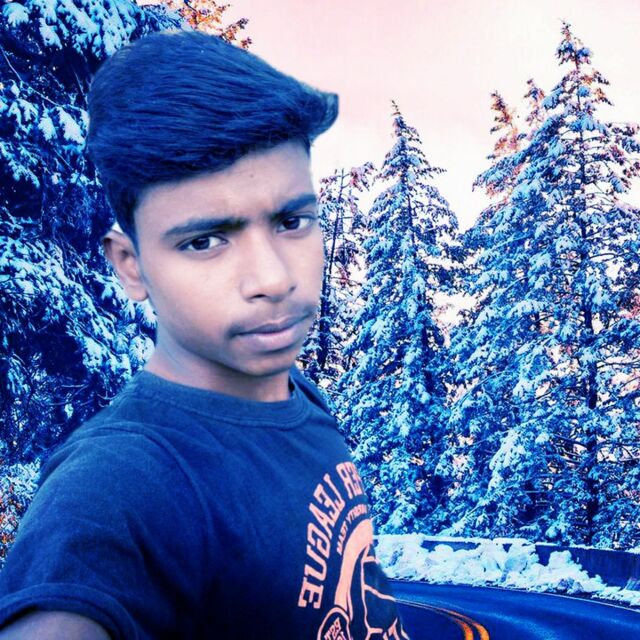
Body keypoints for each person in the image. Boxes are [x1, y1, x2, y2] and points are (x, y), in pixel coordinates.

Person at [0, 29, 411, 639]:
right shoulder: (120, 480)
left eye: (292, 221)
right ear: (131, 266)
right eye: (205, 241)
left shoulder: (297, 397)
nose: (273, 279)